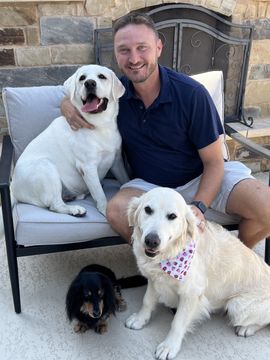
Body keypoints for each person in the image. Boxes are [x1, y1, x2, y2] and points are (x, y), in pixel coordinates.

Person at [61, 13, 270, 249]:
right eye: (124, 50)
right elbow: (76, 90)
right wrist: (67, 105)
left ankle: (234, 261)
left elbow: (214, 162)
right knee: (117, 211)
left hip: (200, 176)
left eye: (142, 48)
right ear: (116, 55)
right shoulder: (113, 94)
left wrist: (199, 206)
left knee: (267, 206)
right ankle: (169, 271)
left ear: (159, 47)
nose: (134, 58)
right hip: (148, 185)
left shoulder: (192, 94)